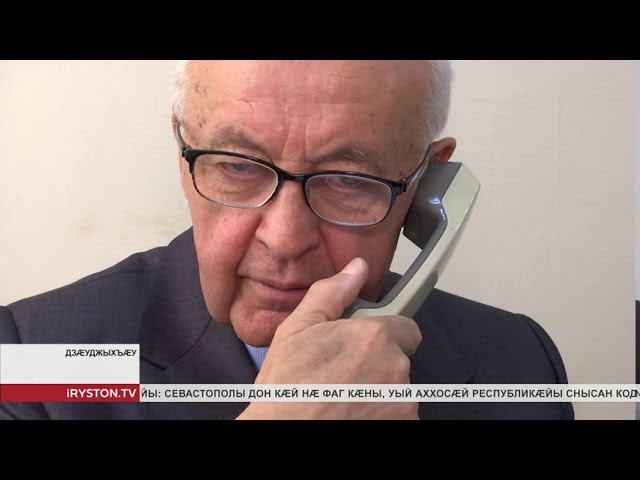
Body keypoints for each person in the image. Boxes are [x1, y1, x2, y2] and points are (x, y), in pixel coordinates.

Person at [0, 60, 573, 420]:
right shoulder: (35, 360)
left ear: (425, 185)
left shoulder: (518, 364)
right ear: (183, 156)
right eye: (237, 165)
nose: (283, 239)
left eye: (349, 179)